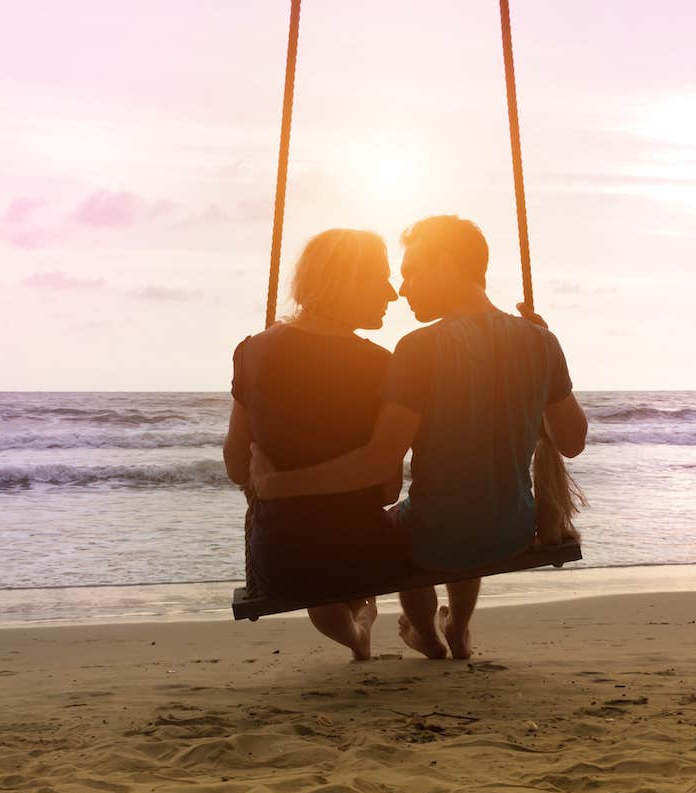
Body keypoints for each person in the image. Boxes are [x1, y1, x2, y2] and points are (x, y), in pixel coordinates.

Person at [251, 215, 588, 660]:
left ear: (445, 263)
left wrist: (278, 485)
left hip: (434, 540)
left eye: (411, 273)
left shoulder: (418, 349)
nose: (403, 289)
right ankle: (459, 627)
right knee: (466, 514)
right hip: (513, 531)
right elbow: (572, 441)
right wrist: (543, 361)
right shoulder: (542, 342)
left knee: (411, 526)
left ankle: (426, 634)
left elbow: (378, 461)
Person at [223, 228, 407, 661]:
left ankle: (357, 638)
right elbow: (388, 490)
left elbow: (235, 466)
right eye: (380, 278)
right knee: (368, 552)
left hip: (282, 563)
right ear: (344, 283)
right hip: (365, 554)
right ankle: (363, 629)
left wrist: (278, 482)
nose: (393, 293)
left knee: (315, 574)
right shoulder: (384, 366)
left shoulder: (251, 352)